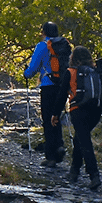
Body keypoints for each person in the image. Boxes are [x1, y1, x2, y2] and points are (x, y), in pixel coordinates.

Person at [56, 45, 102, 189]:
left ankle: (94, 175)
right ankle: (74, 171)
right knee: (80, 138)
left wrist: (56, 114)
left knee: (85, 142)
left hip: (79, 110)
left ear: (74, 58)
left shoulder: (70, 72)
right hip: (96, 111)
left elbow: (61, 96)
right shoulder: (96, 71)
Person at [23, 22, 70, 168]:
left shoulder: (43, 46)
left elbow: (33, 69)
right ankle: (60, 146)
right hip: (62, 85)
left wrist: (26, 73)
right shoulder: (64, 44)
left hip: (48, 86)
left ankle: (51, 156)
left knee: (48, 119)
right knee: (57, 115)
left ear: (43, 32)